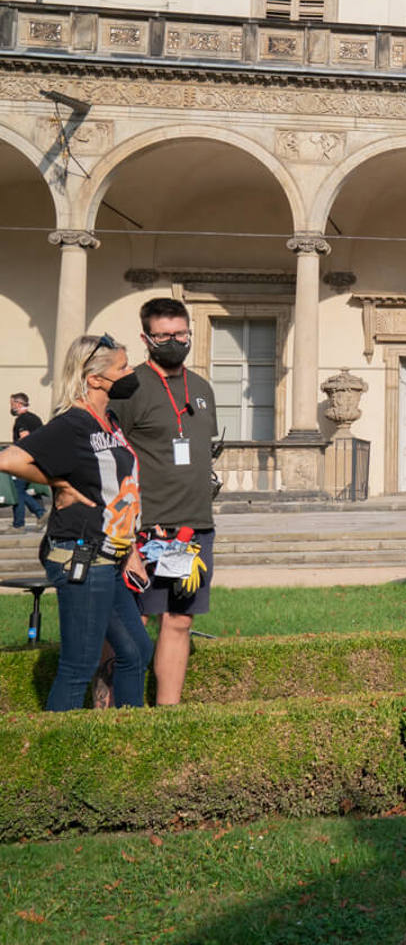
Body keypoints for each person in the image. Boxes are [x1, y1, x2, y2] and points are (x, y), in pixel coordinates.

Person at [0, 334, 153, 711]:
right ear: (96, 378)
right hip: (79, 554)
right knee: (79, 664)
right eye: (123, 367)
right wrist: (57, 482)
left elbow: (120, 490)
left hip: (111, 554)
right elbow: (9, 459)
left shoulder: (110, 420)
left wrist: (130, 548)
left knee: (136, 650)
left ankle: (129, 741)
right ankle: (55, 757)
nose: (131, 372)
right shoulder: (72, 423)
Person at [112, 297, 220, 706]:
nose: (174, 341)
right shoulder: (128, 387)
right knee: (131, 621)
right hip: (143, 527)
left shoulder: (202, 388)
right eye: (164, 336)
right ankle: (110, 714)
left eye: (181, 334)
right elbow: (108, 451)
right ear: (146, 338)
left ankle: (167, 716)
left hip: (193, 526)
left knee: (179, 620)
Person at [8, 392, 46, 530]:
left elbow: (25, 438)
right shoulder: (35, 418)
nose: (11, 407)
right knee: (26, 490)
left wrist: (14, 453)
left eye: (12, 404)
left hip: (25, 460)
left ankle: (20, 524)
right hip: (38, 459)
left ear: (18, 404)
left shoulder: (22, 420)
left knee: (16, 490)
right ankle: (40, 514)